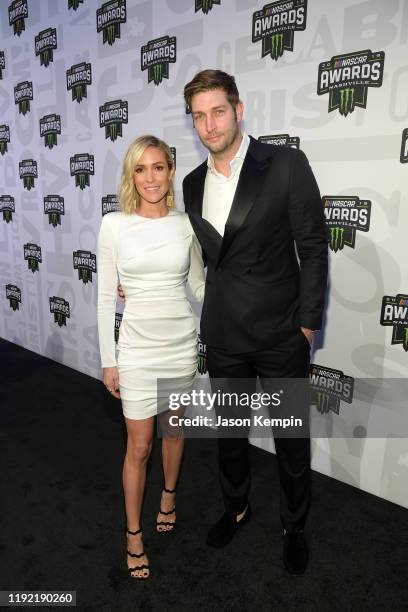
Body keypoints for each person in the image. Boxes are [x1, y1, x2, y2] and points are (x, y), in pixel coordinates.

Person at [182, 69, 328, 574]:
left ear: (238, 110)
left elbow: (312, 247)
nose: (209, 125)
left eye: (217, 111)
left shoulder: (284, 164)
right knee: (230, 436)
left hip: (280, 334)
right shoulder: (192, 182)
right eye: (198, 116)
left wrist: (307, 324)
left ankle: (294, 526)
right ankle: (236, 509)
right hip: (224, 337)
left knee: (290, 439)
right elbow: (203, 258)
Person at [97, 135, 205, 579]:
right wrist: (110, 359)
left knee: (174, 432)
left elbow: (200, 286)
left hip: (181, 346)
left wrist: (248, 299)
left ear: (170, 171)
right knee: (139, 447)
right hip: (137, 349)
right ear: (131, 175)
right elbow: (106, 298)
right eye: (140, 169)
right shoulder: (114, 225)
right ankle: (133, 534)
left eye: (158, 167)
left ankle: (170, 495)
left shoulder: (185, 224)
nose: (150, 178)